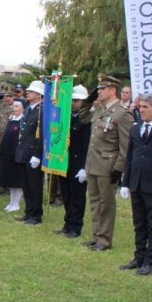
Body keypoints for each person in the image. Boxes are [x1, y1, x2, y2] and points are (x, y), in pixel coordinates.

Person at [117, 93, 152, 275]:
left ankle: (149, 260)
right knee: (139, 222)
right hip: (136, 181)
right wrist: (125, 182)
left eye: (146, 107)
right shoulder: (135, 128)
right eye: (140, 107)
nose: (142, 110)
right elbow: (130, 155)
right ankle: (138, 257)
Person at [81, 74, 134, 251]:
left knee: (106, 204)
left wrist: (119, 168)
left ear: (113, 90)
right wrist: (88, 102)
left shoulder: (122, 113)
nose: (99, 91)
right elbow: (83, 118)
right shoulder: (100, 109)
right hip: (93, 163)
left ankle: (104, 240)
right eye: (99, 88)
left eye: (103, 89)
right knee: (95, 201)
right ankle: (96, 235)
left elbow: (125, 145)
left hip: (107, 165)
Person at [54, 85, 91, 238]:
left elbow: (88, 144)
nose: (74, 103)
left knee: (77, 196)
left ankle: (76, 226)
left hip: (78, 162)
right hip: (65, 160)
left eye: (77, 100)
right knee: (66, 194)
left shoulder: (87, 119)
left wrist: (84, 167)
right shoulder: (69, 116)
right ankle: (67, 223)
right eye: (73, 100)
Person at [14, 80, 45, 224]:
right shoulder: (28, 109)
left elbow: (43, 135)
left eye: (31, 92)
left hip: (33, 153)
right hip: (23, 152)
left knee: (35, 185)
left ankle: (36, 215)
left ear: (39, 95)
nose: (28, 93)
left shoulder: (42, 110)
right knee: (26, 185)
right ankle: (28, 212)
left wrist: (38, 155)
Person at [0, 99, 25, 211]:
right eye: (13, 106)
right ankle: (11, 202)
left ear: (23, 108)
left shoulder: (23, 121)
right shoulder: (11, 120)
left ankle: (16, 203)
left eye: (17, 106)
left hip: (16, 154)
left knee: (17, 180)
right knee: (10, 179)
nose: (14, 108)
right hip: (7, 154)